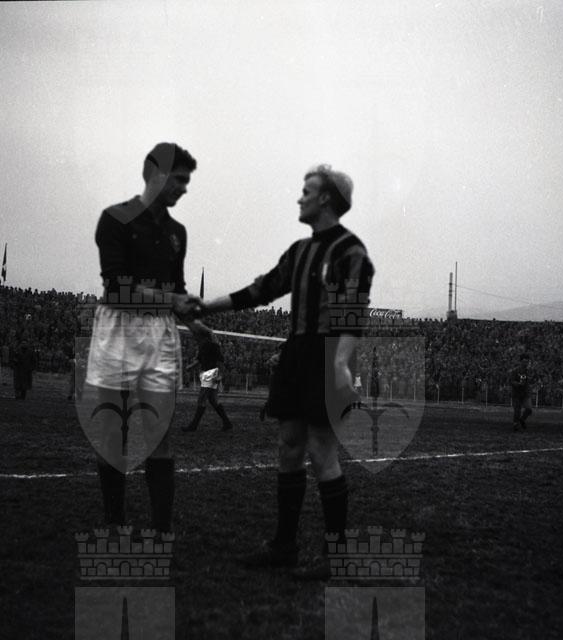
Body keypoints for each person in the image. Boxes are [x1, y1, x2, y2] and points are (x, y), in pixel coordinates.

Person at [198, 164, 374, 579]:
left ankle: (336, 557)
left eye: (306, 191)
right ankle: (284, 547)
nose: (300, 197)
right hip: (297, 352)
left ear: (326, 199)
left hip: (327, 353)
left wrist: (340, 362)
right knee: (289, 445)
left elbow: (354, 314)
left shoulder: (351, 252)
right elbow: (260, 290)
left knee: (322, 449)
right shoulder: (299, 251)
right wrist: (207, 306)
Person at [84, 142, 200, 532]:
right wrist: (172, 300)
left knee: (159, 435)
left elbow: (177, 291)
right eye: (179, 180)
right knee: (112, 434)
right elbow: (117, 288)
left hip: (159, 336)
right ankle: (114, 522)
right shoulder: (115, 218)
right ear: (156, 175)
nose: (184, 188)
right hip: (117, 330)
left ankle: (162, 531)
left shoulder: (177, 232)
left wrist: (197, 326)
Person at [181, 320, 233, 432]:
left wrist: (220, 375)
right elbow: (199, 360)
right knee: (213, 400)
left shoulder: (213, 346)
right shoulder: (204, 346)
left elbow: (220, 361)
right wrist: (189, 367)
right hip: (208, 372)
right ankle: (227, 423)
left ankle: (193, 426)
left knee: (202, 398)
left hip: (211, 372)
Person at [511, 352, 532, 431]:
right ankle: (515, 424)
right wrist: (518, 384)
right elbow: (511, 381)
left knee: (529, 409)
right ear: (520, 361)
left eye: (527, 362)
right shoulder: (515, 371)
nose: (525, 363)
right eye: (524, 362)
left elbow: (530, 380)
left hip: (525, 393)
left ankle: (522, 419)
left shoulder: (528, 371)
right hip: (517, 393)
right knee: (517, 410)